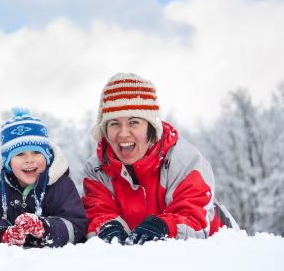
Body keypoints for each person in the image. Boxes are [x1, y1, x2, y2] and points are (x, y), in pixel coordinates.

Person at [83, 72, 238, 245]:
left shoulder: (184, 161)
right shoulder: (97, 169)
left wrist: (164, 226)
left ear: (151, 126)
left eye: (134, 122)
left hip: (215, 250)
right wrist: (107, 227)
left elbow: (194, 216)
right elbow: (98, 212)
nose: (123, 133)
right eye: (114, 124)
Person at [0, 108, 87, 247]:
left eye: (36, 152)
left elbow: (76, 225)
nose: (29, 160)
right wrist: (3, 234)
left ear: (47, 156)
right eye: (20, 154)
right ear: (8, 162)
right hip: (11, 263)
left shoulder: (61, 185)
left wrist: (45, 227)